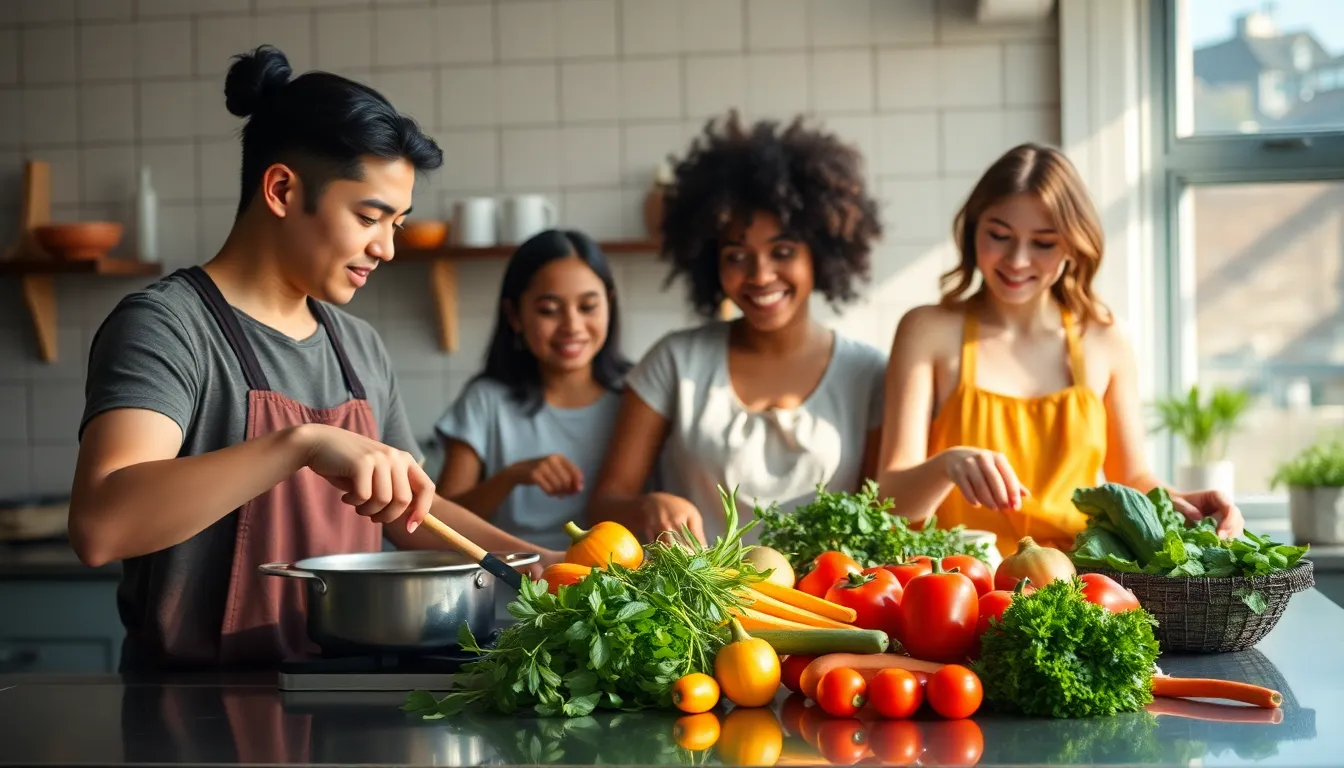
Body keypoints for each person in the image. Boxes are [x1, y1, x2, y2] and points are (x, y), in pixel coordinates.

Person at [67, 45, 562, 672]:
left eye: (397, 225)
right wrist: (300, 444)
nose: (385, 248)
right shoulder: (167, 327)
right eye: (369, 217)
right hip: (196, 713)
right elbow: (100, 526)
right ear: (281, 189)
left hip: (340, 699)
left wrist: (540, 564)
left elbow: (411, 514)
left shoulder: (357, 346)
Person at [875, 143, 1244, 557]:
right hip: (960, 586)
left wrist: (1188, 505)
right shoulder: (927, 330)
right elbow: (889, 502)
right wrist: (947, 464)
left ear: (1072, 245)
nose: (1017, 260)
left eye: (1044, 243)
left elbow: (1135, 480)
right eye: (999, 236)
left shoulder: (1105, 340)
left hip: (1080, 582)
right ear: (973, 229)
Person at [588, 112, 889, 546]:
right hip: (695, 605)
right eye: (736, 255)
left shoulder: (870, 374)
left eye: (782, 251)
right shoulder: (675, 361)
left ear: (820, 256)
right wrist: (645, 505)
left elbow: (878, 520)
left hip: (822, 608)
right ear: (711, 262)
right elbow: (603, 504)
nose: (760, 275)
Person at [432, 229, 634, 552]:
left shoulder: (637, 397)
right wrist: (511, 476)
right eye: (549, 310)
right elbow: (439, 524)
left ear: (609, 304)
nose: (572, 326)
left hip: (622, 586)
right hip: (519, 587)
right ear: (514, 315)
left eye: (588, 306)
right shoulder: (485, 401)